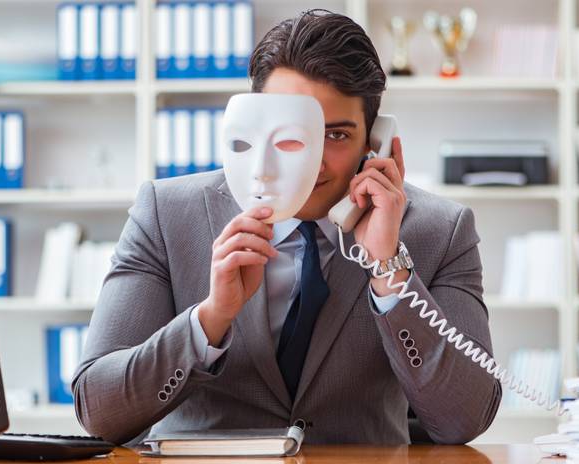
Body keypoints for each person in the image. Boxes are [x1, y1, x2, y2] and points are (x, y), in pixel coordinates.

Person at [72, 9, 501, 446]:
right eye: (292, 134)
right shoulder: (166, 214)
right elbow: (99, 413)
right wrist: (210, 319)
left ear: (376, 142)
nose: (310, 161)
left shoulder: (441, 231)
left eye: (334, 135)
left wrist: (390, 273)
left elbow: (463, 420)